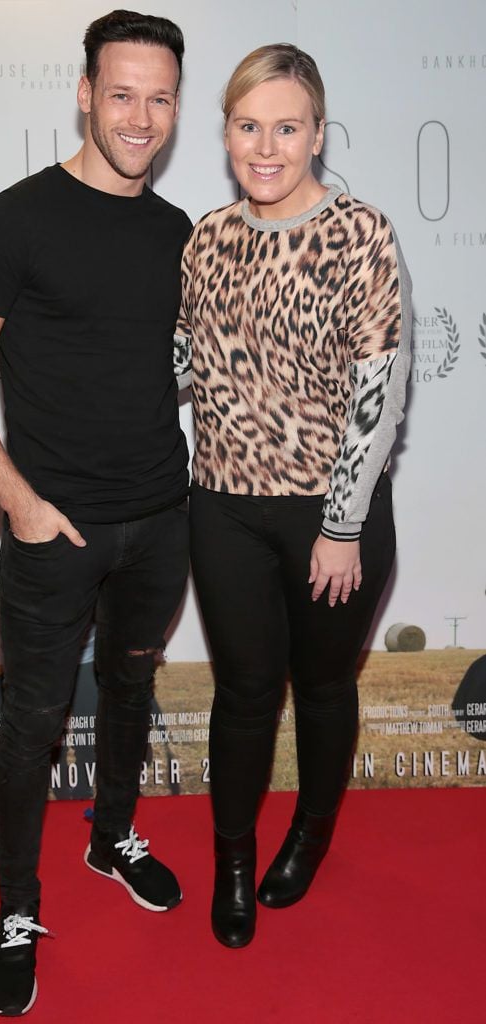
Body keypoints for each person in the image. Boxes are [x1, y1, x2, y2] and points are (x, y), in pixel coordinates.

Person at [0, 10, 191, 1016]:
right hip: (54, 533)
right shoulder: (13, 219)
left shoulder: (177, 233)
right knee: (32, 726)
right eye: (121, 92)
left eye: (158, 97)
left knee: (131, 685)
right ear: (85, 93)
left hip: (163, 518)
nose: (139, 115)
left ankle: (112, 834)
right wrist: (21, 504)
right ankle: (17, 910)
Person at [177, 43, 412, 948]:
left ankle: (310, 835)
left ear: (317, 131)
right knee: (242, 691)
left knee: (318, 685)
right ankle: (233, 857)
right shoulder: (205, 238)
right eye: (247, 126)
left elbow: (379, 388)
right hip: (224, 505)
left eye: (285, 126)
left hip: (330, 514)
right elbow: (180, 364)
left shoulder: (361, 232)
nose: (265, 147)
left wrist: (343, 525)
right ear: (226, 131)